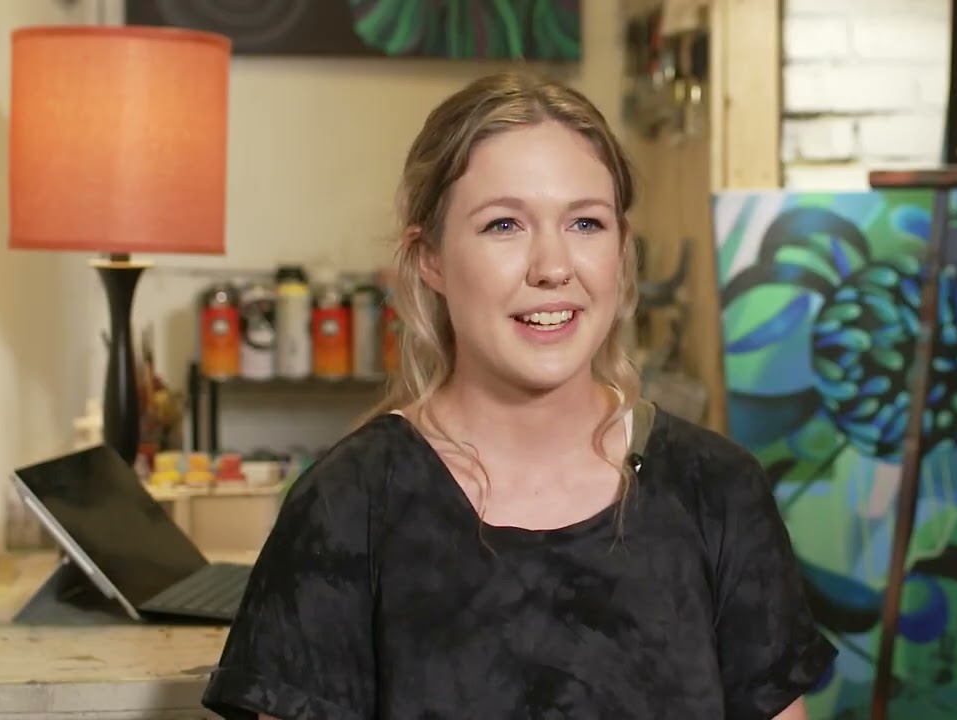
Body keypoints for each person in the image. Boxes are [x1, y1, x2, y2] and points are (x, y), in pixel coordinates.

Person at [201, 70, 835, 720]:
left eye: (586, 223)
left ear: (621, 249)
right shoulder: (345, 505)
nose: (553, 266)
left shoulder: (718, 492)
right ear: (431, 259)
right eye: (505, 225)